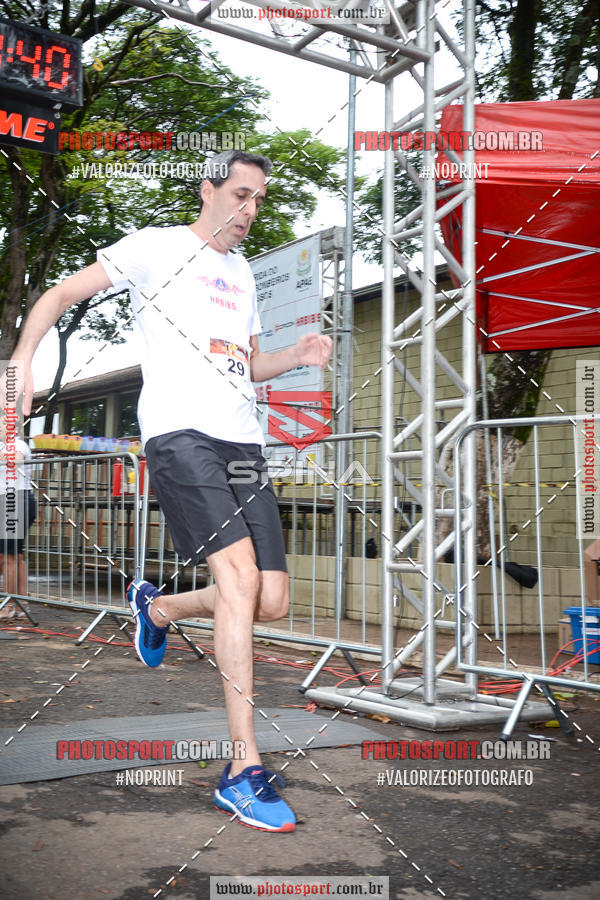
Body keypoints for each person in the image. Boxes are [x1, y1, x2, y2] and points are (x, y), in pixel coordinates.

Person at [7, 149, 332, 832]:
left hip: (242, 442)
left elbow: (249, 363)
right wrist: (20, 359)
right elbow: (61, 294)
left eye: (259, 200)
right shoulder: (155, 248)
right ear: (209, 188)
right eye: (241, 195)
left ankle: (157, 612)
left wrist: (295, 357)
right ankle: (242, 767)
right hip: (181, 435)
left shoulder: (243, 274)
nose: (251, 211)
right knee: (239, 580)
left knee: (268, 598)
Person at [0, 418, 36, 620]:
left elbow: (16, 459)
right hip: (8, 501)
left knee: (10, 557)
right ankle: (22, 604)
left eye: (1, 426)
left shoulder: (18, 444)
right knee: (14, 556)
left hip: (16, 501)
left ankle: (9, 605)